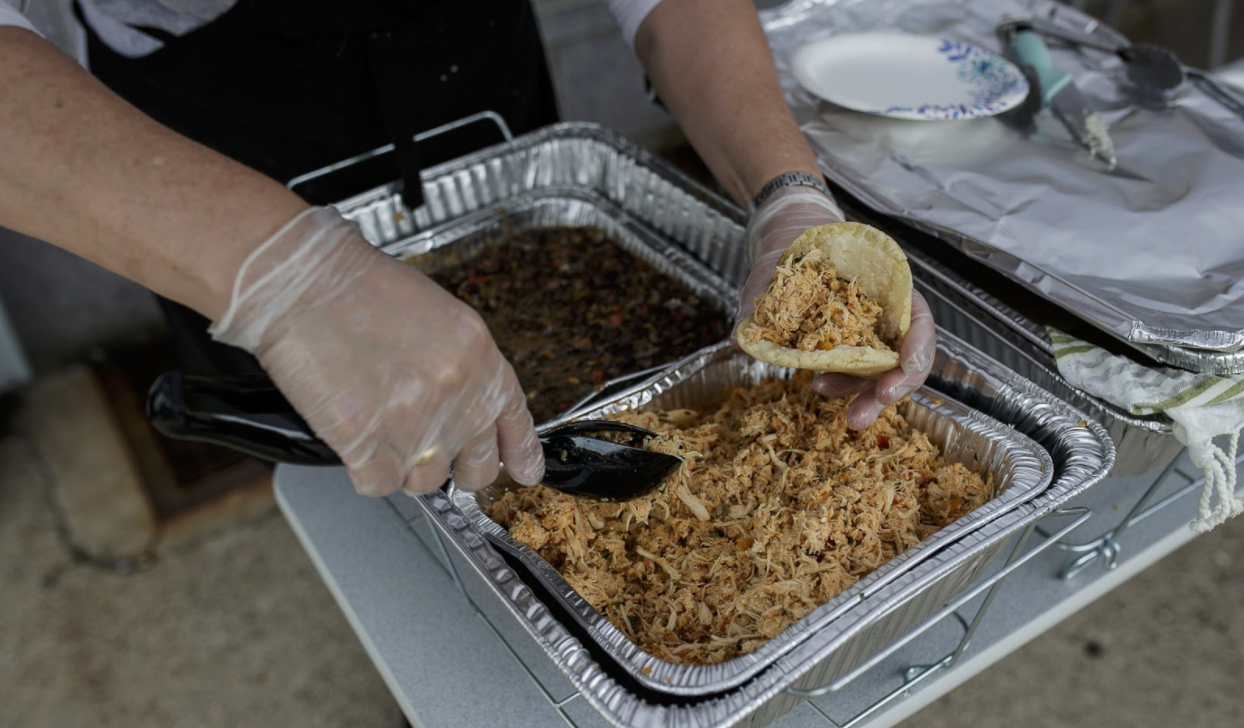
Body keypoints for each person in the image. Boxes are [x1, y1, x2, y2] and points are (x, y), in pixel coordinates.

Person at [0, 0, 936, 500]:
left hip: (472, 51)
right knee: (356, 476)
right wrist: (281, 276)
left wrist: (788, 195)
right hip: (212, 128)